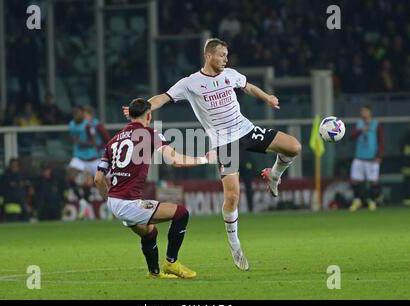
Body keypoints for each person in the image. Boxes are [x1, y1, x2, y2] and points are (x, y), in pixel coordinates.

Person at [123, 38, 301, 271]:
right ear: (209, 56)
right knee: (232, 197)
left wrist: (267, 97)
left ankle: (275, 175)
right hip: (225, 142)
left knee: (294, 147)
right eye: (222, 55)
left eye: (227, 55)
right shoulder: (191, 83)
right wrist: (143, 108)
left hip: (246, 130)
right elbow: (163, 98)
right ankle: (235, 243)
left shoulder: (230, 74)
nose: (226, 59)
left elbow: (247, 86)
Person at [95, 98, 216, 279]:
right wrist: (205, 159)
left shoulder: (113, 140)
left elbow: (98, 179)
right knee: (181, 213)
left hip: (114, 201)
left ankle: (154, 272)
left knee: (149, 231)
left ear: (131, 115)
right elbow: (175, 160)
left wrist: (111, 201)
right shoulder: (150, 133)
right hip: (128, 203)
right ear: (149, 115)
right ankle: (171, 262)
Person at [349, 105, 385, 211]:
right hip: (359, 157)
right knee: (355, 180)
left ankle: (372, 201)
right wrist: (360, 130)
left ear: (370, 112)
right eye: (362, 111)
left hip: (372, 158)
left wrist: (379, 155)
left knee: (373, 181)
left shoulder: (376, 125)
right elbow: (351, 136)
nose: (363, 113)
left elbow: (381, 141)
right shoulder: (359, 124)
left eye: (365, 111)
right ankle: (357, 201)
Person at [68, 106, 101, 218]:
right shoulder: (72, 124)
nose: (75, 116)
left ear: (82, 114)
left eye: (77, 114)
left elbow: (93, 142)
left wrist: (80, 142)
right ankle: (82, 200)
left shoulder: (88, 125)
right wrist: (77, 141)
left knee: (97, 182)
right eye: (74, 114)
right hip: (79, 157)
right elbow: (73, 138)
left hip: (92, 158)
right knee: (71, 178)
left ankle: (87, 203)